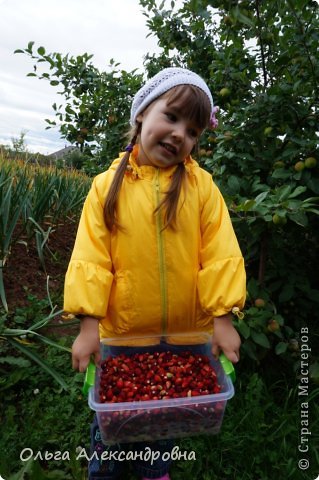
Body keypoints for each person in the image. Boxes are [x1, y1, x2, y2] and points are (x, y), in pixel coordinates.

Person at [64, 67, 246, 480]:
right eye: (173, 117)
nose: (182, 134)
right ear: (143, 113)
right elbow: (91, 258)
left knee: (164, 418)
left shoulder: (202, 189)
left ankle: (154, 470)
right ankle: (106, 471)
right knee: (115, 423)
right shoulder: (105, 186)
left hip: (186, 337)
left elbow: (220, 254)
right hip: (123, 337)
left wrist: (222, 318)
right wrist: (88, 325)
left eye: (194, 130)